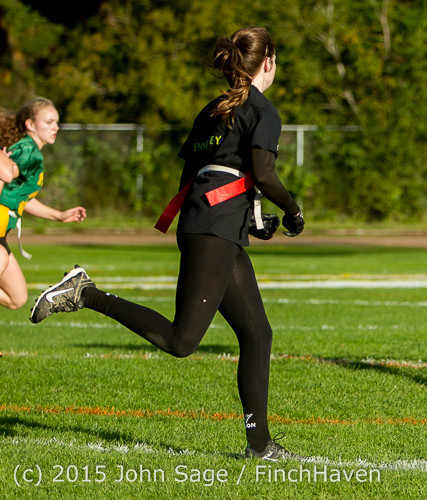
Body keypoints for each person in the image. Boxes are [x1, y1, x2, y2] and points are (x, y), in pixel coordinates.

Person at [29, 26, 306, 460]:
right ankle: (86, 293)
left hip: (207, 223)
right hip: (213, 229)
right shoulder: (262, 110)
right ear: (268, 61)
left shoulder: (213, 109)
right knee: (182, 341)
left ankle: (260, 445)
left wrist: (249, 220)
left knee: (258, 335)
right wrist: (292, 211)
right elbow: (263, 173)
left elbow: (201, 174)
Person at [0, 97, 87, 311]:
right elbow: (7, 172)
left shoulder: (32, 152)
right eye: (48, 122)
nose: (55, 127)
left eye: (56, 122)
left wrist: (59, 215)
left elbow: (22, 198)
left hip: (3, 231)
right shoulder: (28, 150)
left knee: (16, 298)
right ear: (30, 124)